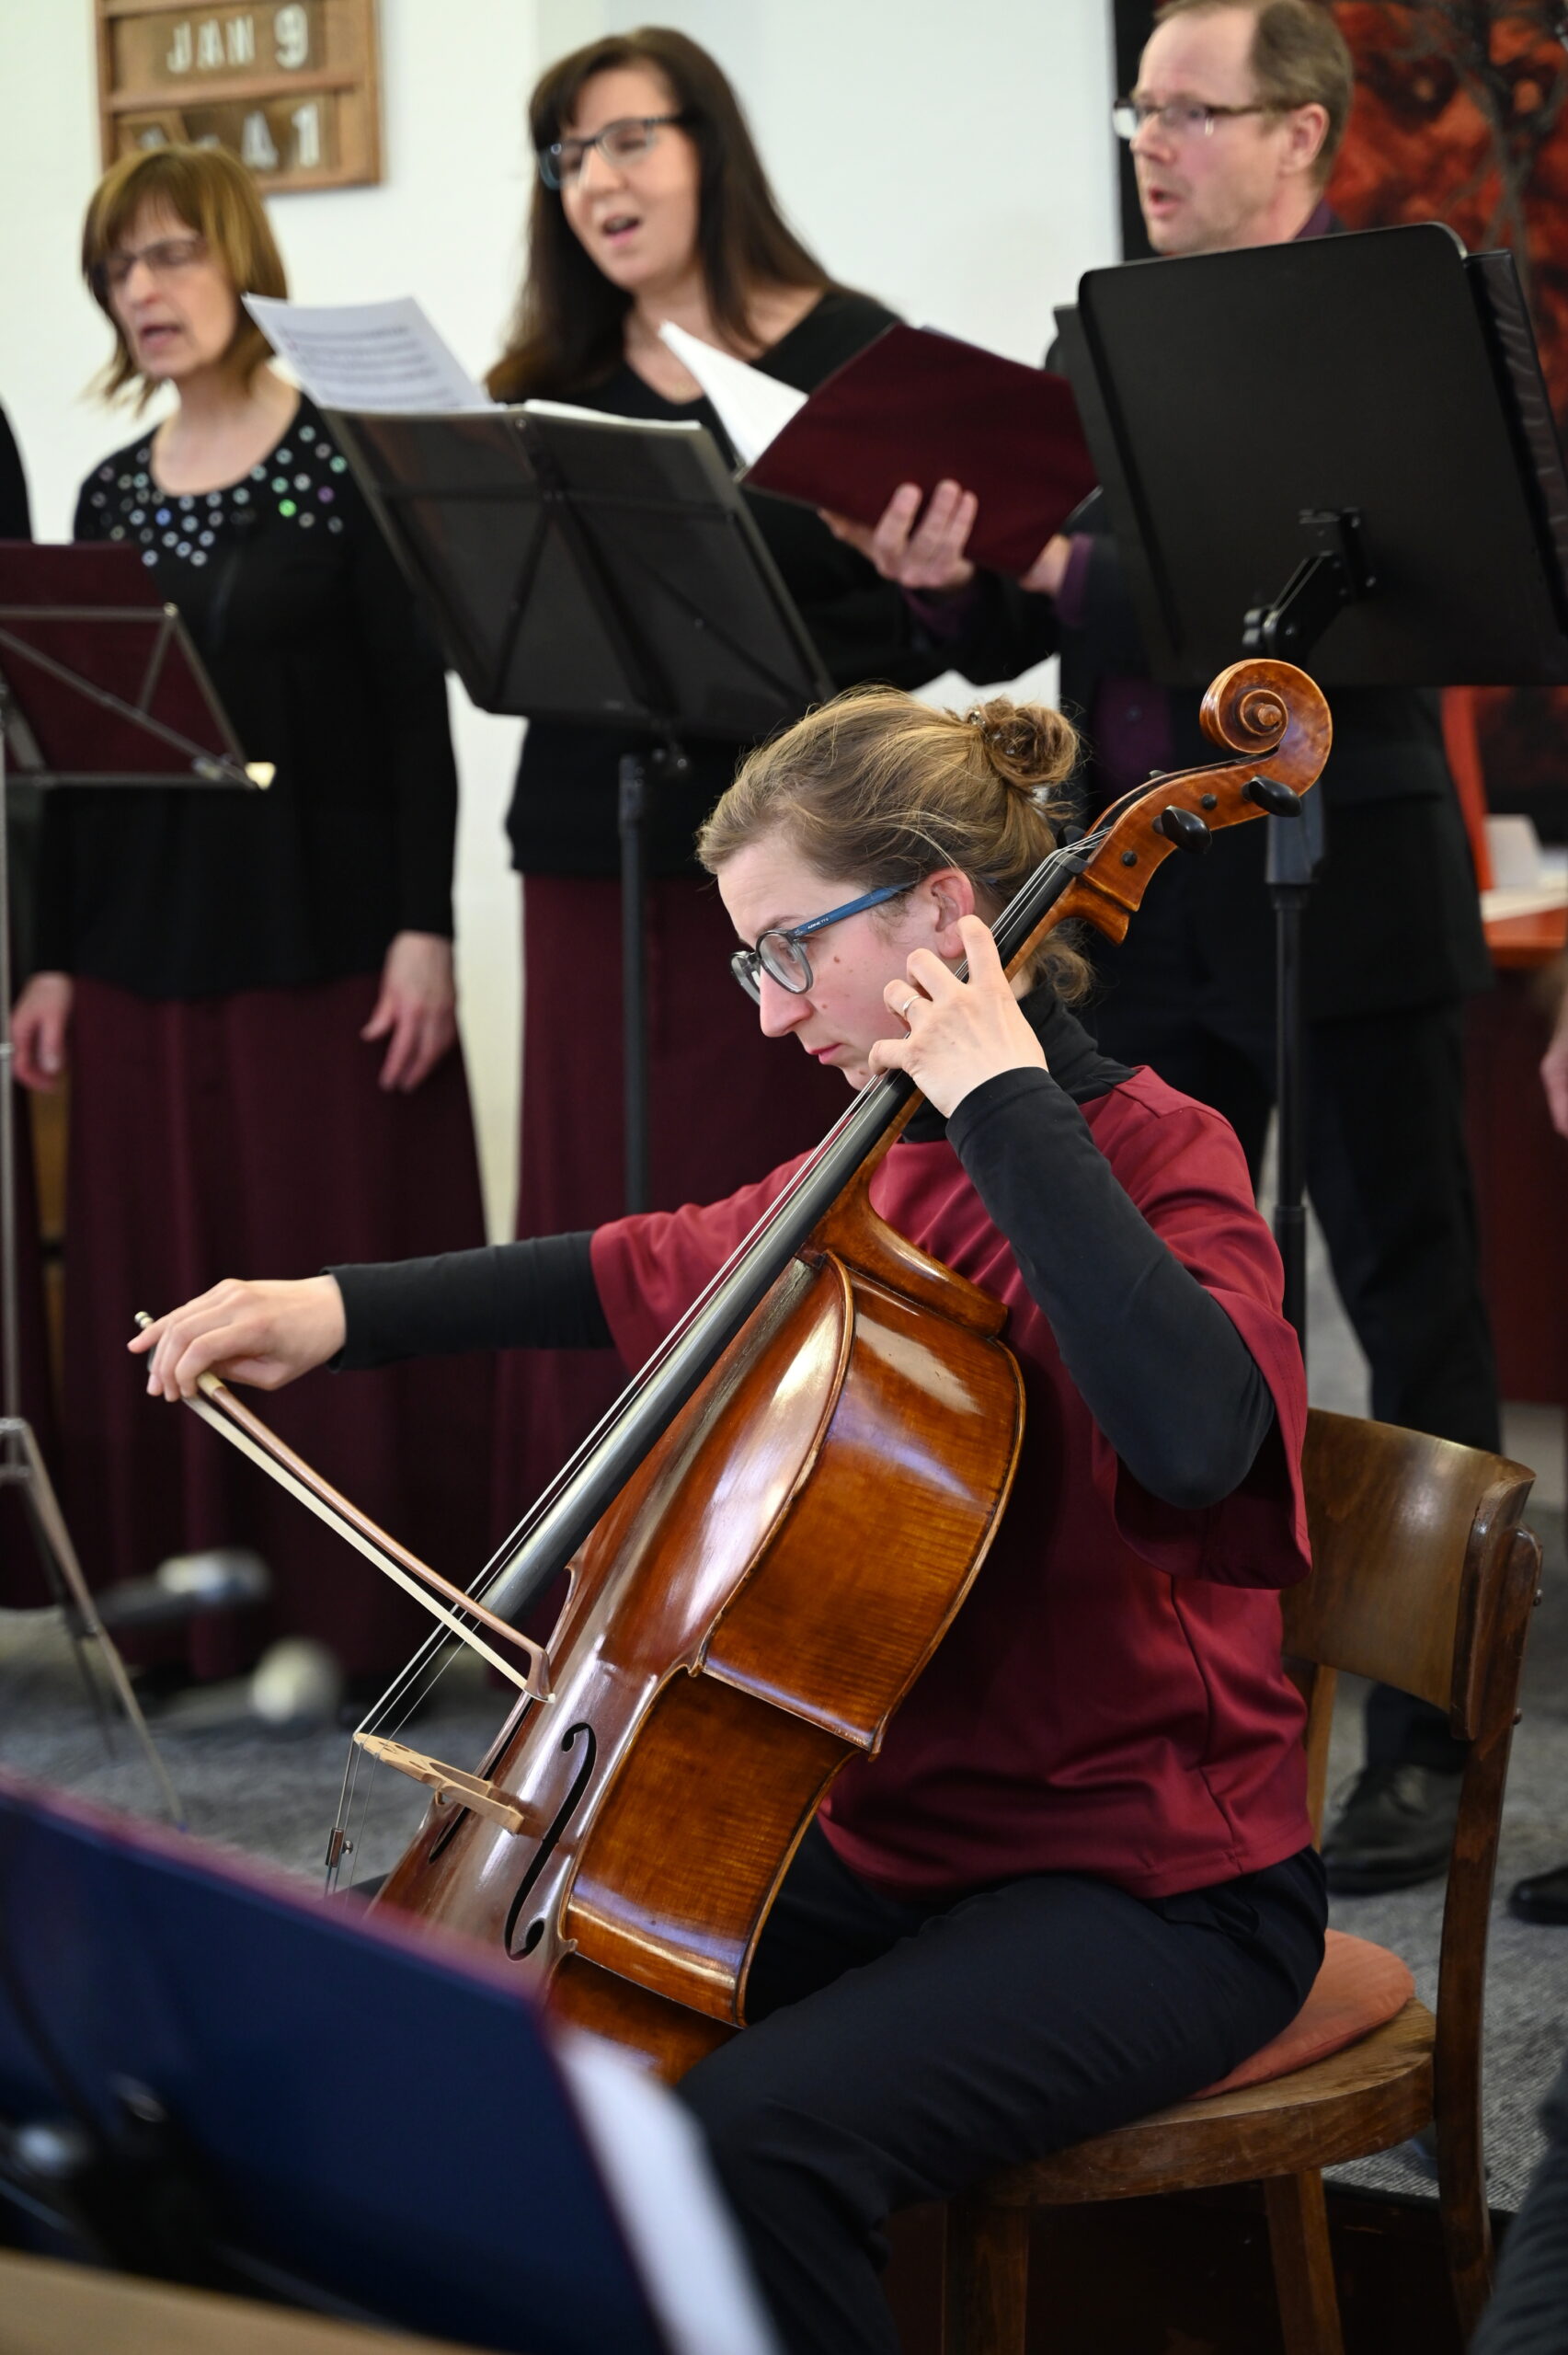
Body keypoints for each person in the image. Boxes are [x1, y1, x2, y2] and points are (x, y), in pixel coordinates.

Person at [135, 684, 1327, 2355]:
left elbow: (1199, 1441)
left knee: (747, 2148)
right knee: (423, 2017)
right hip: (892, 1841)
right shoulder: (867, 1161)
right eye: (746, 963)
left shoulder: (1153, 1152)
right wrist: (332, 1307)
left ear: (940, 913)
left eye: (786, 950)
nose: (769, 1014)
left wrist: (1003, 1100)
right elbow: (635, 1264)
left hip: (1151, 1889)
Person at [833, 0, 1500, 1901]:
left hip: (1339, 864)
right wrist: (945, 578)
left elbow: (1347, 598)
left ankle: (1428, 1736)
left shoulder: (1378, 321)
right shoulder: (1096, 336)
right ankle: (1178, 1700)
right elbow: (1037, 628)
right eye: (1140, 111)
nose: (1152, 142)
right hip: (1137, 882)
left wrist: (1075, 572)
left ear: (1301, 134)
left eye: (1192, 113)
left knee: (1404, 1290)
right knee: (1137, 1282)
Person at [486, 26, 1026, 1528]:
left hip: (796, 884)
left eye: (630, 139)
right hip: (589, 852)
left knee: (767, 1206)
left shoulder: (850, 353)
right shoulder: (545, 383)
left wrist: (924, 583)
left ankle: (774, 1551)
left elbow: (952, 627)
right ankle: (590, 1562)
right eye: (569, 153)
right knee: (599, 1202)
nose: (597, 178)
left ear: (708, 150)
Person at [12, 146, 493, 1684]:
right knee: (163, 1275)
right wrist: (49, 961)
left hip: (323, 941)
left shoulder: (344, 462)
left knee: (315, 1260)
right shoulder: (108, 490)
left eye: (170, 255)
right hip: (140, 950)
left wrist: (425, 927)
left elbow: (413, 721)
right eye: (118, 268)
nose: (142, 290)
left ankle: (350, 1622)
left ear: (239, 263)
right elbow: (72, 751)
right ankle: (190, 1624)